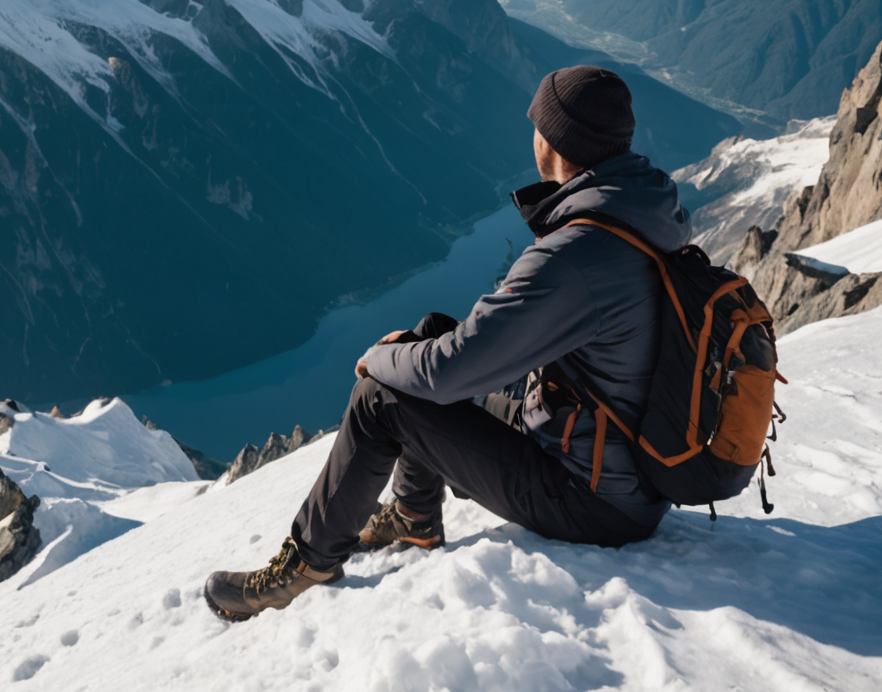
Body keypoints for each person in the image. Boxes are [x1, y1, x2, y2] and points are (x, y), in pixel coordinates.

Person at [203, 65, 690, 622]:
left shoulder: (575, 255)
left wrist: (378, 359)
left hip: (593, 499)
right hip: (620, 463)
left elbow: (446, 376)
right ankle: (414, 516)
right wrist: (417, 350)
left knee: (382, 398)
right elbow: (470, 353)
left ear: (552, 139)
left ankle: (305, 563)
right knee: (433, 332)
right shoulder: (641, 211)